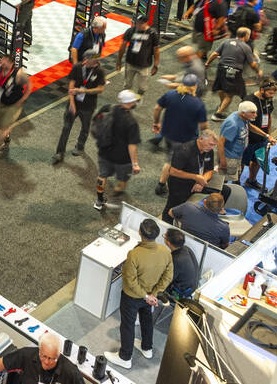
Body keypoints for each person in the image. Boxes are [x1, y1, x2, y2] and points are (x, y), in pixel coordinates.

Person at [103, 218, 172, 370]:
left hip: (133, 297)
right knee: (147, 320)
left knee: (127, 325)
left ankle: (125, 357)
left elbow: (130, 280)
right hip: (149, 296)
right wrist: (153, 294)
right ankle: (147, 348)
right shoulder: (165, 252)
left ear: (140, 232)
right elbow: (168, 276)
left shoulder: (134, 254)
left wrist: (146, 296)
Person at [54, 53, 105, 163]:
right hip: (74, 103)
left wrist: (84, 91)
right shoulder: (77, 68)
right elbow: (71, 86)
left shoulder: (99, 71)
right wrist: (72, 103)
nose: (96, 63)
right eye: (94, 61)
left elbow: (100, 89)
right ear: (86, 60)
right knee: (66, 128)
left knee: (85, 127)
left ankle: (80, 146)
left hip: (88, 105)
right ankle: (59, 152)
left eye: (97, 61)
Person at [95, 90, 142, 211]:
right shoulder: (131, 122)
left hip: (104, 152)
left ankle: (99, 201)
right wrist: (135, 164)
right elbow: (132, 145)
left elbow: (96, 120)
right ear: (130, 103)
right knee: (122, 179)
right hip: (122, 159)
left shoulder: (108, 108)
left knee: (102, 176)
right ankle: (117, 195)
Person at [0, 333, 80, 384]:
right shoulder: (26, 355)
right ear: (39, 351)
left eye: (52, 359)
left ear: (58, 355)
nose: (47, 362)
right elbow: (4, 361)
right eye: (44, 356)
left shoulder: (71, 372)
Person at [162, 130, 218, 223]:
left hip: (197, 182)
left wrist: (201, 181)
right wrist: (195, 177)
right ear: (200, 139)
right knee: (171, 209)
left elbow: (210, 170)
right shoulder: (184, 150)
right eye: (210, 144)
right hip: (179, 184)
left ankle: (209, 218)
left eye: (213, 145)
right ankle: (165, 226)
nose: (212, 148)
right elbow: (173, 171)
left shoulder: (209, 151)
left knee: (225, 190)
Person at [205, 28, 260, 118]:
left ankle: (222, 105)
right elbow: (252, 63)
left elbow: (215, 54)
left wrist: (207, 63)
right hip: (234, 71)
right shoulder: (246, 47)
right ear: (246, 36)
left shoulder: (226, 42)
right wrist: (258, 71)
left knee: (221, 88)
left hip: (221, 68)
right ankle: (218, 114)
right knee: (230, 94)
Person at [119, 15, 160, 98]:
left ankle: (138, 99)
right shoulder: (131, 31)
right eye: (137, 23)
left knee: (142, 88)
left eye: (140, 24)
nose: (137, 25)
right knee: (127, 85)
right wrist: (118, 61)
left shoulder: (152, 33)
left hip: (144, 65)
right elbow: (123, 46)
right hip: (130, 63)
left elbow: (156, 50)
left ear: (146, 23)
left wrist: (156, 65)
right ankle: (124, 100)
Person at [218, 101, 258, 184]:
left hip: (238, 154)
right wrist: (223, 161)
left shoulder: (242, 116)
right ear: (243, 113)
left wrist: (266, 135)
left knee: (235, 175)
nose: (255, 115)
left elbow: (249, 126)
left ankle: (234, 187)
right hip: (230, 157)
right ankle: (221, 194)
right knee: (224, 179)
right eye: (253, 113)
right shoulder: (233, 124)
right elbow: (220, 143)